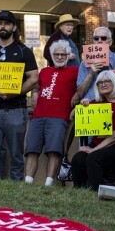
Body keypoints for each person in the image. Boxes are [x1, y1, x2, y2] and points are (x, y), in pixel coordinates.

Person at [0, 10, 39, 180]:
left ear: (14, 27)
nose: (2, 26)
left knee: (16, 155)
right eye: (0, 23)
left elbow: (33, 79)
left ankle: (16, 189)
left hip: (16, 110)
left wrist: (14, 93)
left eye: (6, 23)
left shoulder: (23, 51)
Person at [24, 41, 79, 185]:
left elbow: (82, 89)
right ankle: (28, 182)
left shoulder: (75, 71)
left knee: (54, 150)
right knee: (31, 149)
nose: (60, 57)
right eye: (57, 54)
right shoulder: (44, 71)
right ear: (52, 56)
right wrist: (35, 94)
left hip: (59, 117)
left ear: (68, 56)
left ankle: (48, 184)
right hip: (38, 115)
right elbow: (35, 87)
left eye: (63, 54)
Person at [71, 71, 115, 190]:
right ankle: (78, 191)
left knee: (93, 158)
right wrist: (82, 106)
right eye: (100, 83)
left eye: (107, 81)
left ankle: (95, 191)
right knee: (78, 158)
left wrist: (92, 150)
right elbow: (72, 117)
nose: (103, 84)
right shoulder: (96, 103)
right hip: (97, 144)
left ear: (114, 83)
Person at [73, 26, 115, 103]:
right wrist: (91, 73)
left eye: (103, 38)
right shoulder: (84, 63)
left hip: (114, 103)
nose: (99, 41)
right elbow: (80, 92)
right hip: (91, 104)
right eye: (96, 38)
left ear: (110, 42)